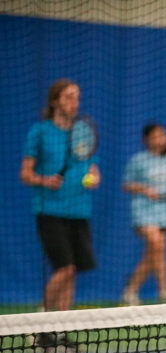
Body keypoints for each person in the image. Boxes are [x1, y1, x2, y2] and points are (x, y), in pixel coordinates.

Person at [19, 78, 100, 337]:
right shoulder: (40, 131)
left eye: (77, 97)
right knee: (64, 268)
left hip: (79, 210)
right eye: (68, 97)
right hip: (50, 211)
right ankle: (40, 323)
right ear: (55, 101)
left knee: (72, 271)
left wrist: (94, 178)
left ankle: (61, 330)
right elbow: (25, 174)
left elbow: (93, 169)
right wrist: (44, 179)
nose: (74, 103)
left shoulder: (83, 132)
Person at [121, 122, 166, 305]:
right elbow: (126, 184)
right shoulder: (138, 160)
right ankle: (164, 289)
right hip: (143, 211)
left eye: (162, 135)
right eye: (155, 136)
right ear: (146, 140)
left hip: (162, 212)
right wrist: (144, 189)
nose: (160, 139)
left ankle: (131, 291)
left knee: (152, 253)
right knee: (157, 243)